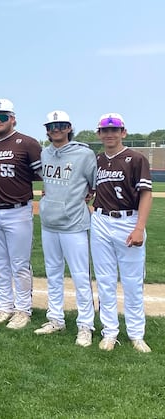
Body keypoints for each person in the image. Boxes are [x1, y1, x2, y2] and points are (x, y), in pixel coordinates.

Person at [91, 113, 153, 352]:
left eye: (114, 130)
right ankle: (109, 332)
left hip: (129, 220)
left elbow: (146, 195)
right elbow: (91, 190)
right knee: (105, 281)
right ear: (99, 134)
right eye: (105, 130)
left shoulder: (135, 158)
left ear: (123, 132)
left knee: (132, 282)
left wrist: (139, 228)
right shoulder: (96, 160)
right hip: (101, 221)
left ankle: (137, 334)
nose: (109, 134)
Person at [0, 99, 42, 330]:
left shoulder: (27, 143)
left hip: (18, 210)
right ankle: (4, 305)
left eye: (2, 116)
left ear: (13, 118)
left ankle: (23, 310)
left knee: (20, 263)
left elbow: (43, 173)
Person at [35, 110, 96, 347]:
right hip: (49, 223)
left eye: (60, 125)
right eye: (51, 126)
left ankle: (85, 325)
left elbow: (95, 184)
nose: (55, 129)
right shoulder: (45, 153)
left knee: (81, 276)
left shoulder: (84, 153)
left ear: (69, 127)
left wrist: (87, 195)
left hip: (74, 224)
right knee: (53, 274)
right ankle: (55, 318)